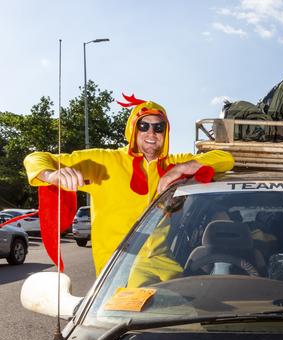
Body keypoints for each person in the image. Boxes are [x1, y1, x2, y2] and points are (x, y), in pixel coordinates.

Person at [24, 96, 234, 275]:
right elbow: (36, 157)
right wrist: (52, 174)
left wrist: (182, 168)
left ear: (166, 132)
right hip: (117, 271)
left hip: (161, 267)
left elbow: (225, 158)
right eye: (144, 126)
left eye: (158, 127)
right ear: (133, 129)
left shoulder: (173, 162)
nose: (151, 133)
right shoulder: (106, 161)